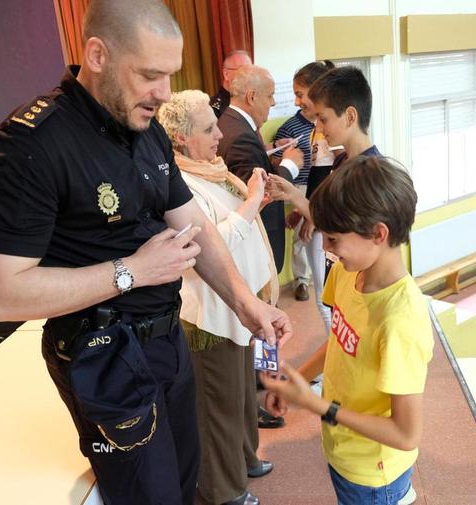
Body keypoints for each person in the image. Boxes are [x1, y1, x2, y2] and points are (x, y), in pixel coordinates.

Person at [0, 2, 291, 504]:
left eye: (170, 75)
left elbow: (195, 226)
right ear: (97, 54)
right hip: (103, 355)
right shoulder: (28, 145)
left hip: (167, 340)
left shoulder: (148, 130)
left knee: (184, 485)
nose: (163, 92)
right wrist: (131, 272)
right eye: (150, 75)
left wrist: (248, 305)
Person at [261, 155, 434, 505]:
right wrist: (297, 380)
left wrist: (320, 406)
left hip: (375, 473)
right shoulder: (345, 273)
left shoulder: (401, 319)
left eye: (334, 239)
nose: (325, 247)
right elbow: (340, 341)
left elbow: (406, 434)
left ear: (378, 234)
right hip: (343, 449)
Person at [158, 90, 277, 505]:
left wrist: (253, 200)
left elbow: (234, 228)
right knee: (216, 409)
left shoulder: (211, 169)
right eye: (208, 129)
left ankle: (243, 458)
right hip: (210, 313)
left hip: (239, 308)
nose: (218, 135)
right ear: (180, 138)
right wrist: (250, 205)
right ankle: (222, 491)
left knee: (242, 395)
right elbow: (201, 250)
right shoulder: (179, 183)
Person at [217, 64, 303, 274]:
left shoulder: (230, 123)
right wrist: (290, 165)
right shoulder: (240, 136)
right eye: (270, 96)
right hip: (257, 238)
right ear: (252, 96)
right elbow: (258, 193)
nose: (273, 102)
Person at [272, 61, 336, 326]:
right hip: (318, 210)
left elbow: (332, 178)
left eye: (300, 93)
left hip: (328, 215)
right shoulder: (315, 132)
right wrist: (302, 212)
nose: (297, 101)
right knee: (326, 296)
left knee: (326, 296)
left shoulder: (328, 132)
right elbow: (319, 179)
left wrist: (310, 216)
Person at [307, 65, 380, 167]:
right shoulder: (341, 161)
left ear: (350, 117)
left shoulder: (372, 175)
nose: (318, 129)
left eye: (323, 119)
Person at [210, 50, 252, 118]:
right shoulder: (212, 109)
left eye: (250, 70)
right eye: (243, 70)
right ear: (226, 74)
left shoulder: (251, 102)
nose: (248, 75)